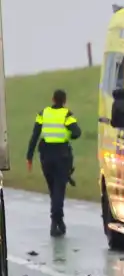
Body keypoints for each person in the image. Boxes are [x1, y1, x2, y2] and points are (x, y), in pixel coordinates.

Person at [27, 89, 82, 236]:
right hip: (62, 156)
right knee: (59, 189)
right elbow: (77, 133)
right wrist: (66, 134)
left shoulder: (42, 113)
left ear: (52, 99)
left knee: (53, 189)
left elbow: (35, 135)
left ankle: (57, 221)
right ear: (64, 101)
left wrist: (29, 157)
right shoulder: (67, 114)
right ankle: (56, 221)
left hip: (45, 156)